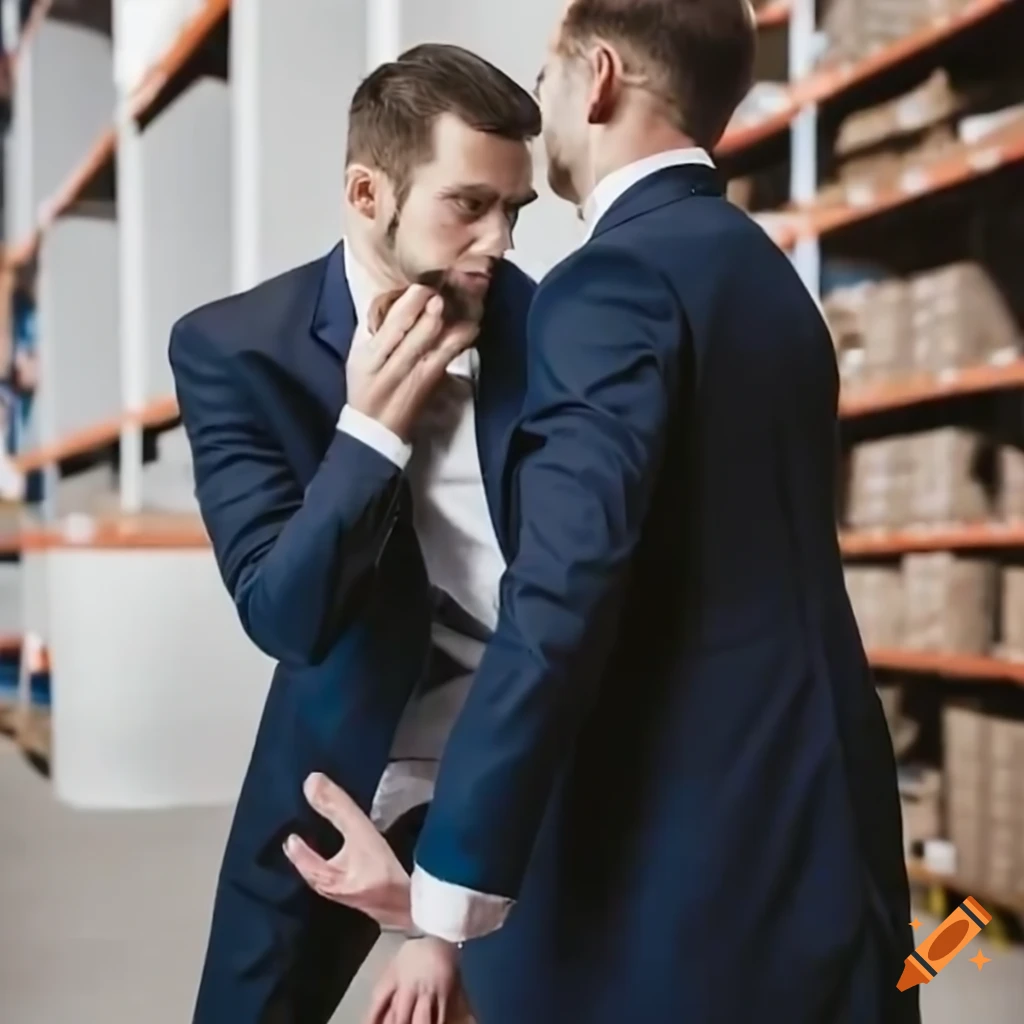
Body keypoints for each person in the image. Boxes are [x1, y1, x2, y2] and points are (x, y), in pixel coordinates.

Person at [288, 2, 920, 1023]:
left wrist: (443, 894)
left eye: (547, 75)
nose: (540, 100)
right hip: (825, 818)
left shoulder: (610, 282)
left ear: (600, 79)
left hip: (691, 860)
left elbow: (563, 587)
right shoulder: (765, 275)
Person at [168, 43, 539, 1024]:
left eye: (515, 210)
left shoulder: (554, 337)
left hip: (523, 778)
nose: (499, 242)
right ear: (367, 193)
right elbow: (285, 616)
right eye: (469, 205)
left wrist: (438, 928)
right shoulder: (234, 349)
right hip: (336, 772)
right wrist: (370, 433)